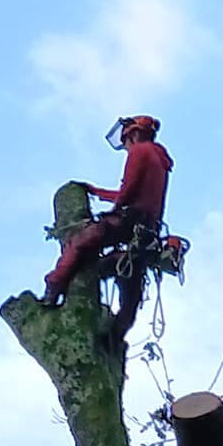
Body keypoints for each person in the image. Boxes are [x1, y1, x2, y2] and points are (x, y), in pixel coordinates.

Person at [41, 115, 173, 307]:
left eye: (126, 141)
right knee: (128, 295)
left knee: (78, 242)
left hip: (130, 222)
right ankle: (116, 333)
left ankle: (53, 287)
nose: (126, 146)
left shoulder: (139, 151)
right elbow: (133, 193)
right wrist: (97, 192)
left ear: (134, 135)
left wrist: (115, 211)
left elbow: (128, 191)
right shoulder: (161, 160)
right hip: (148, 230)